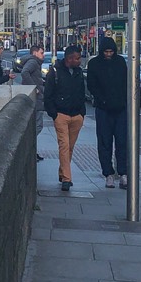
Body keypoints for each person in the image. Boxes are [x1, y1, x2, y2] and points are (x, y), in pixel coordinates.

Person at [86, 36, 129, 190]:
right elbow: (91, 84)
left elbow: (126, 82)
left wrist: (123, 100)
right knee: (104, 143)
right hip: (103, 109)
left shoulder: (120, 62)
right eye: (106, 52)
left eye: (111, 51)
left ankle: (123, 174)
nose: (109, 54)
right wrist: (101, 99)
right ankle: (108, 174)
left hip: (120, 109)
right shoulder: (94, 64)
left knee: (122, 142)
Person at [44, 45, 86, 192]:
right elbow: (47, 95)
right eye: (78, 58)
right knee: (64, 146)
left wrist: (82, 113)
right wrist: (54, 114)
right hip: (61, 115)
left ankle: (62, 173)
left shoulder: (79, 72)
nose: (80, 61)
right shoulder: (54, 72)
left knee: (70, 147)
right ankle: (67, 180)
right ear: (69, 59)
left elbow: (82, 93)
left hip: (76, 115)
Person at [18, 44, 46, 161]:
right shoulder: (33, 62)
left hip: (36, 98)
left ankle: (32, 151)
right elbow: (25, 72)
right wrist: (34, 87)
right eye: (42, 53)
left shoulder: (34, 62)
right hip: (36, 98)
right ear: (35, 53)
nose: (43, 55)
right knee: (37, 126)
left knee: (36, 125)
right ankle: (29, 150)